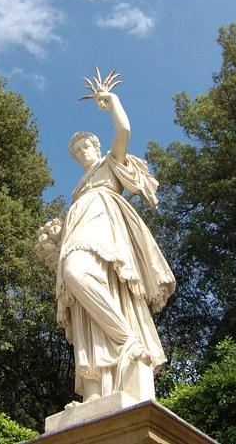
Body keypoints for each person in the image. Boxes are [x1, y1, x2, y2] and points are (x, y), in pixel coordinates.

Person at [51, 87, 175, 403]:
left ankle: (126, 339)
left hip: (105, 227)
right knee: (83, 306)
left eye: (85, 147)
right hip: (81, 229)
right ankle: (97, 389)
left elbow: (124, 130)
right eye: (76, 152)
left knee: (77, 273)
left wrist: (113, 103)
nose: (82, 153)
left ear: (96, 145)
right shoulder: (79, 192)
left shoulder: (109, 165)